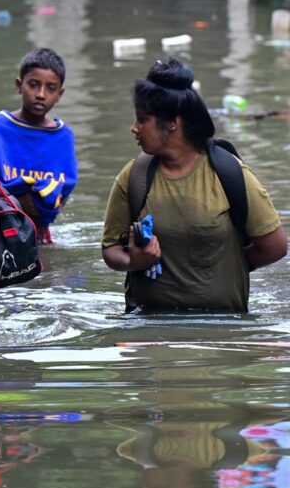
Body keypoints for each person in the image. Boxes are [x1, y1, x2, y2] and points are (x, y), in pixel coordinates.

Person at [101, 58, 287, 312]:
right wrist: (135, 260)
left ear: (172, 123)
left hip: (223, 331)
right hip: (149, 332)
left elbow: (275, 247)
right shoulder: (134, 177)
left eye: (142, 119)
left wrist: (224, 265)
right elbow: (110, 249)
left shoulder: (228, 173)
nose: (134, 128)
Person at [0, 48, 78, 244]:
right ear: (19, 85)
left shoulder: (64, 137)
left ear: (60, 94)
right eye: (33, 85)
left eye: (50, 88)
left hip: (41, 233)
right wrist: (19, 203)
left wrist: (45, 205)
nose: (41, 94)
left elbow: (63, 191)